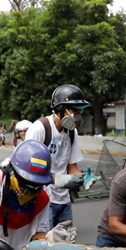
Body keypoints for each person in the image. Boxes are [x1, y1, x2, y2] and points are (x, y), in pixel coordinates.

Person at [0, 139, 54, 250]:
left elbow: (39, 234)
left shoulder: (43, 195)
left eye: (37, 185)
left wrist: (52, 240)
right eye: (27, 184)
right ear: (14, 171)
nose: (31, 191)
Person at [26, 85, 90, 228]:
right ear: (61, 108)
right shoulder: (40, 128)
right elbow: (29, 169)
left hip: (64, 201)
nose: (78, 115)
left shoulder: (72, 133)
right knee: (45, 244)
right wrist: (61, 180)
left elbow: (72, 167)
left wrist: (83, 179)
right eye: (74, 110)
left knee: (66, 243)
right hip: (43, 200)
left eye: (80, 111)